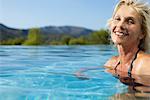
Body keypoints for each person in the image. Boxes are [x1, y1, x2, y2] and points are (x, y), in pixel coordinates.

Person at [105, 0, 150, 75]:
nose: (120, 25)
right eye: (117, 19)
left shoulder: (145, 66)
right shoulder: (111, 63)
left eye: (130, 21)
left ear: (142, 33)